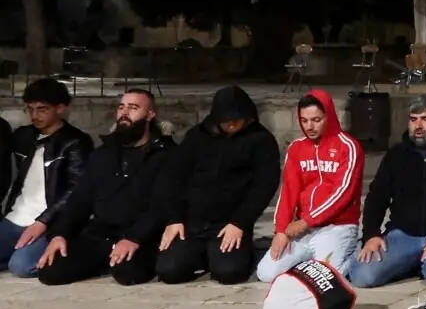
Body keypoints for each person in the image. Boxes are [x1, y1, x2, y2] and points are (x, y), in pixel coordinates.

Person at [37, 90, 173, 286]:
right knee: (50, 271)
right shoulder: (103, 154)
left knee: (126, 273)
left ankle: (115, 259)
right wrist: (60, 234)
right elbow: (79, 200)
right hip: (100, 235)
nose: (125, 112)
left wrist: (134, 238)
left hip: (140, 236)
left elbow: (162, 206)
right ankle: (105, 259)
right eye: (121, 107)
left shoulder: (165, 154)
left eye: (133, 108)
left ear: (150, 115)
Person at [154, 86, 280, 285]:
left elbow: (264, 185)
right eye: (225, 119)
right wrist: (174, 218)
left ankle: (221, 255)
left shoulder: (261, 140)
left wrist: (240, 222)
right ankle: (201, 255)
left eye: (235, 119)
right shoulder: (196, 136)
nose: (230, 124)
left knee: (229, 272)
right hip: (191, 221)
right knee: (169, 271)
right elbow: (175, 177)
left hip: (228, 223)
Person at [349, 93, 426, 289]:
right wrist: (372, 235)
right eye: (413, 120)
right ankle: (411, 262)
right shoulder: (397, 155)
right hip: (402, 234)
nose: (418, 126)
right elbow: (377, 196)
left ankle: (422, 263)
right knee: (362, 276)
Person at [256, 91, 363, 282]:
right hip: (302, 230)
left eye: (316, 120)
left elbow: (343, 193)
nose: (309, 126)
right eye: (304, 121)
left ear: (328, 117)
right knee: (266, 273)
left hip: (337, 226)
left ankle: (355, 250)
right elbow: (288, 192)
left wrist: (307, 220)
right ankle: (309, 263)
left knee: (325, 277)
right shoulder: (296, 148)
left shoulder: (348, 146)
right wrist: (280, 231)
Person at [2, 78, 93, 278]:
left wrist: (44, 220)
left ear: (60, 108)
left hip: (50, 221)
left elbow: (76, 189)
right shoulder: (23, 137)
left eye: (42, 109)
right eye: (30, 109)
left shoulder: (76, 142)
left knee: (21, 266)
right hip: (15, 217)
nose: (35, 115)